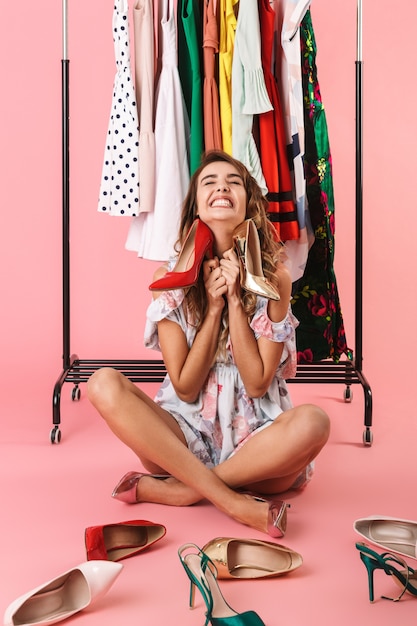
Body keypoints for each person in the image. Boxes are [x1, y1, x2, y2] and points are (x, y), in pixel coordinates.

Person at [87, 150, 330, 536]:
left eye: (233, 181)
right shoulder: (168, 278)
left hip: (259, 451)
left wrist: (235, 301)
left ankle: (184, 490)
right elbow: (183, 386)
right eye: (210, 182)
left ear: (249, 202)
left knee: (315, 422)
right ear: (195, 206)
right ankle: (230, 500)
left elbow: (256, 383)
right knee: (102, 383)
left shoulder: (276, 279)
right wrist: (212, 308)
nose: (222, 187)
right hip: (181, 438)